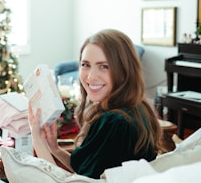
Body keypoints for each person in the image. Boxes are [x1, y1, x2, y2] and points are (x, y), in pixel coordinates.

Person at [29, 28, 166, 179]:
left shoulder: (114, 122)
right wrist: (54, 148)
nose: (91, 76)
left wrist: (38, 141)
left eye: (104, 66)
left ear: (124, 72)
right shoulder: (137, 108)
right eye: (85, 64)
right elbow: (86, 170)